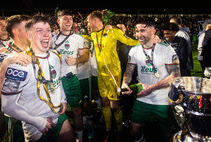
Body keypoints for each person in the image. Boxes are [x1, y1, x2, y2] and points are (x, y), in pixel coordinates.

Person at [1, 14, 74, 142]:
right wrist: (38, 122)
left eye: (48, 30)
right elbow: (7, 106)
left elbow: (57, 81)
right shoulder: (18, 65)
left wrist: (62, 99)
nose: (46, 34)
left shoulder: (55, 55)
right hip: (36, 127)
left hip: (59, 117)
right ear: (29, 36)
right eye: (39, 31)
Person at [121, 17, 180, 142]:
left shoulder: (166, 49)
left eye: (142, 31)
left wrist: (151, 88)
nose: (138, 34)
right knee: (134, 131)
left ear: (153, 31)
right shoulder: (134, 50)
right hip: (143, 98)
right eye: (137, 31)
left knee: (171, 135)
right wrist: (125, 82)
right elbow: (129, 71)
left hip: (163, 99)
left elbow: (175, 75)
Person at [84, 10, 139, 142]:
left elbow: (129, 42)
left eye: (88, 21)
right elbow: (84, 38)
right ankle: (108, 129)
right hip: (101, 74)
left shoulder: (113, 31)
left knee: (114, 105)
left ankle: (119, 130)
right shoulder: (92, 34)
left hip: (113, 74)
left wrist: (144, 40)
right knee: (104, 102)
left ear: (95, 21)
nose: (87, 23)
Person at [0, 14, 31, 142]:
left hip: (37, 109)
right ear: (16, 32)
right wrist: (6, 63)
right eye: (28, 28)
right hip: (17, 114)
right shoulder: (3, 56)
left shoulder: (35, 50)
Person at [52, 9, 89, 142]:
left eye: (70, 18)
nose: (68, 21)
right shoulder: (51, 38)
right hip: (54, 80)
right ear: (58, 20)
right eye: (65, 18)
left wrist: (76, 60)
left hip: (70, 78)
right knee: (55, 110)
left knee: (77, 110)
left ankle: (79, 137)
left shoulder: (79, 38)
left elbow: (85, 56)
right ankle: (57, 135)